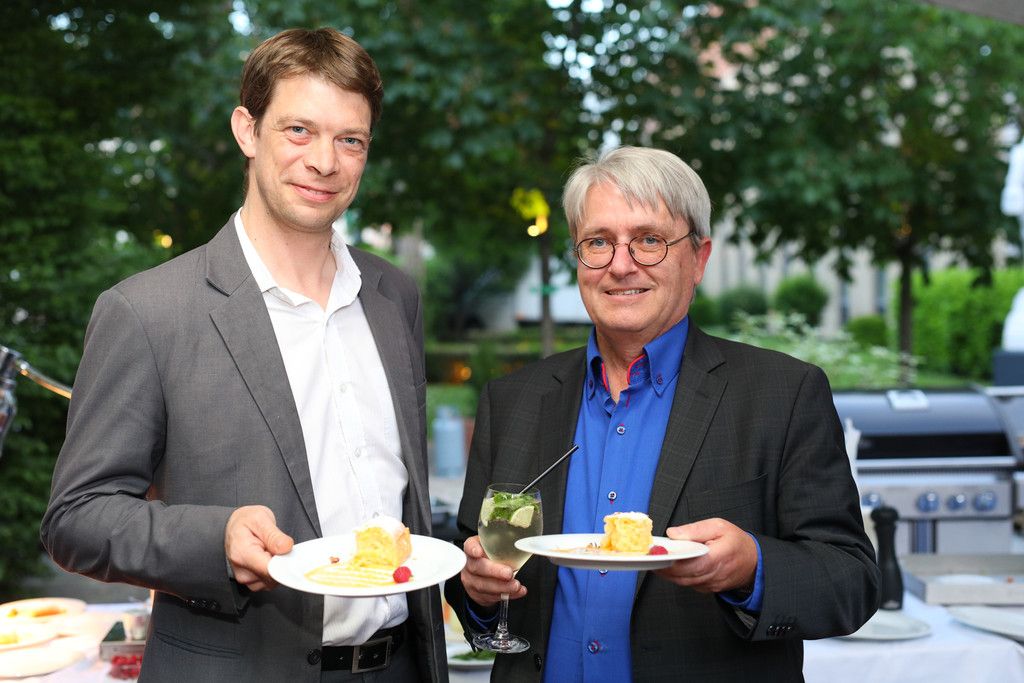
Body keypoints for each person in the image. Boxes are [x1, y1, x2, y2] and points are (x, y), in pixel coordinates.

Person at [41, 28, 447, 682]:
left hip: (400, 666)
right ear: (247, 131)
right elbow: (75, 518)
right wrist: (216, 539)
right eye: (299, 131)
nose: (325, 161)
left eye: (350, 140)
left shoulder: (393, 295)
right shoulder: (147, 312)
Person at [445, 146, 880, 682]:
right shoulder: (513, 400)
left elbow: (852, 580)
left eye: (649, 240)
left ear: (699, 259)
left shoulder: (783, 395)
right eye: (598, 242)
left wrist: (752, 567)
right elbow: (470, 566)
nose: (620, 264)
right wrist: (477, 590)